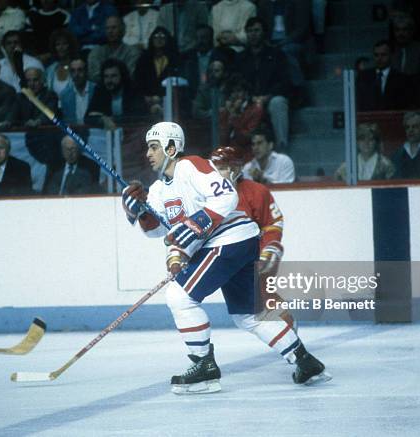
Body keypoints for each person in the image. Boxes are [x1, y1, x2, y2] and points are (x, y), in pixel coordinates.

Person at [121, 121, 330, 394]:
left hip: (230, 239)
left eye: (154, 147)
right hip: (236, 244)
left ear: (172, 147)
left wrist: (194, 225)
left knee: (179, 296)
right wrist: (139, 211)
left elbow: (226, 196)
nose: (148, 153)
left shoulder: (191, 165)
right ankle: (305, 361)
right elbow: (159, 229)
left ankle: (204, 367)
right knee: (248, 315)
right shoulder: (160, 189)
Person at [210, 145, 294, 328]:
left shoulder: (256, 191)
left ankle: (288, 330)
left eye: (222, 168)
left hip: (251, 256)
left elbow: (272, 223)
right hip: (223, 256)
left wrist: (268, 249)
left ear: (237, 169)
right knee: (243, 312)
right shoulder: (207, 194)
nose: (217, 174)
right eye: (214, 168)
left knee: (262, 296)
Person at [237, 17, 291, 150]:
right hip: (248, 100)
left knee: (278, 103)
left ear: (264, 32)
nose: (253, 34)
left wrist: (267, 97)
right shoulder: (240, 58)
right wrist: (250, 98)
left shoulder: (277, 54)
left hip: (270, 98)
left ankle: (282, 149)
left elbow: (285, 82)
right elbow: (237, 83)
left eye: (256, 30)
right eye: (249, 31)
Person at [133, 26, 181, 116]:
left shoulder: (175, 59)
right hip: (146, 101)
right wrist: (146, 97)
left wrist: (160, 98)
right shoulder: (143, 59)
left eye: (162, 37)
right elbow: (138, 81)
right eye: (156, 37)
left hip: (168, 101)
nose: (159, 39)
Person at [86, 58, 144, 126]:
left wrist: (113, 119)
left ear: (122, 76)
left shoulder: (133, 91)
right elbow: (88, 118)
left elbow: (139, 116)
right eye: (106, 76)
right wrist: (103, 119)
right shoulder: (100, 91)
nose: (109, 80)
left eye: (113, 76)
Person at [356, 40, 409, 111]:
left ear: (391, 55)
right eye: (376, 55)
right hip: (368, 118)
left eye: (383, 55)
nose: (379, 58)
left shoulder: (401, 78)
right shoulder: (363, 76)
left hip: (392, 118)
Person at [87, 15, 140, 84]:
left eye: (114, 28)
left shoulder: (133, 52)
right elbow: (93, 76)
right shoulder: (96, 52)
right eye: (107, 28)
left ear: (123, 30)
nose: (110, 31)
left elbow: (130, 76)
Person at [218, 76, 264, 152]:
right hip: (226, 153)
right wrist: (229, 115)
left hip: (245, 154)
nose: (235, 95)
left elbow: (246, 139)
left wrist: (235, 117)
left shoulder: (255, 110)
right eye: (232, 92)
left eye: (238, 91)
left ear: (246, 93)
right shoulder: (226, 110)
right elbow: (221, 140)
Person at [59, 57, 96, 125]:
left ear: (86, 71)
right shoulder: (64, 95)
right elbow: (66, 120)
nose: (76, 74)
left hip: (95, 132)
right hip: (74, 133)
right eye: (73, 71)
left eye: (80, 70)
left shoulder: (96, 90)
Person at [44, 29, 79, 97]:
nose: (61, 47)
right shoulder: (50, 70)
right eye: (58, 44)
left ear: (70, 45)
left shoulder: (77, 67)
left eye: (64, 43)